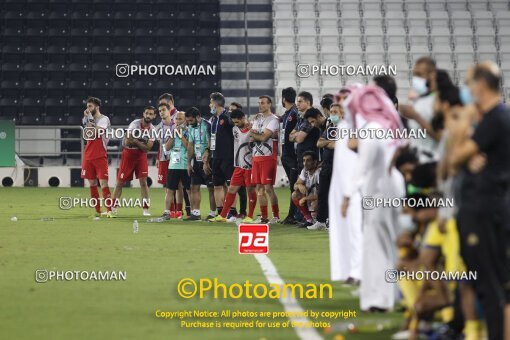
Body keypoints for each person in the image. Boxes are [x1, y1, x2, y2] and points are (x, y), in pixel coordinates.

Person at [450, 61, 510, 340]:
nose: (468, 89)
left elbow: (454, 157)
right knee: (499, 285)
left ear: (481, 85)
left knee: (488, 286)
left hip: (483, 210)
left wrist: (464, 122)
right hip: (497, 207)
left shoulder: (493, 119)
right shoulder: (502, 117)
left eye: (470, 82)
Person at [341, 85, 405, 311]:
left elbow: (363, 166)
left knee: (375, 245)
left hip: (378, 189)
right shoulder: (388, 124)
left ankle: (378, 300)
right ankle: (403, 293)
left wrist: (347, 195)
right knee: (396, 243)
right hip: (394, 185)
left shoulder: (370, 129)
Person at [329, 88, 363, 285]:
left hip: (357, 186)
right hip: (340, 186)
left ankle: (359, 271)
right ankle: (349, 269)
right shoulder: (343, 126)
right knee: (344, 229)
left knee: (357, 229)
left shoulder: (363, 125)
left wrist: (351, 190)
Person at [209, 109, 258, 223]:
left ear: (242, 118)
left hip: (249, 166)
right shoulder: (234, 129)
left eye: (237, 122)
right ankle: (223, 215)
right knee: (231, 189)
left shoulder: (253, 130)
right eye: (234, 122)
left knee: (250, 190)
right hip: (238, 166)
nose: (235, 124)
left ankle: (250, 216)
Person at [111, 106, 157, 217]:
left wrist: (135, 140)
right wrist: (141, 142)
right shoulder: (135, 124)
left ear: (154, 116)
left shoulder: (153, 130)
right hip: (129, 154)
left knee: (143, 183)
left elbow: (147, 148)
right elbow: (127, 142)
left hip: (141, 156)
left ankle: (145, 210)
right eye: (147, 113)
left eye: (151, 114)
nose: (148, 116)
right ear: (143, 113)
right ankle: (112, 208)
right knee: (120, 182)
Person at [399, 57, 441, 162]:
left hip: (432, 161)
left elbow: (440, 136)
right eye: (414, 74)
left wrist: (416, 117)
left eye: (419, 75)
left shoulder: (440, 101)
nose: (415, 78)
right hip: (415, 160)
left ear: (432, 75)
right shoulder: (417, 99)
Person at [308, 103, 341, 231]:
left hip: (338, 167)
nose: (332, 114)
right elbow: (319, 143)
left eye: (335, 112)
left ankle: (334, 221)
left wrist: (328, 143)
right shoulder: (330, 126)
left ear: (342, 113)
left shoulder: (347, 128)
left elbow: (339, 145)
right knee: (322, 194)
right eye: (331, 111)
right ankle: (321, 220)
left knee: (336, 195)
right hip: (326, 165)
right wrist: (329, 143)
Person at [158, 93, 191, 218]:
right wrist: (173, 134)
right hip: (173, 165)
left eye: (180, 119)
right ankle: (166, 212)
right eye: (176, 119)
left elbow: (189, 147)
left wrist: (181, 134)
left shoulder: (189, 131)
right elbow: (166, 147)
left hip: (185, 164)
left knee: (188, 190)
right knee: (170, 189)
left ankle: (192, 212)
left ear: (185, 120)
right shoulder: (173, 130)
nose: (177, 121)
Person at [80, 97, 112, 217]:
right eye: (87, 106)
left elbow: (95, 133)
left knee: (103, 184)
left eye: (90, 106)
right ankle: (97, 211)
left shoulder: (104, 119)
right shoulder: (86, 118)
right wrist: (88, 119)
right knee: (92, 183)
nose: (88, 109)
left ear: (97, 107)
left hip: (99, 154)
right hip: (88, 155)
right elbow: (88, 134)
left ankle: (110, 210)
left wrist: (89, 119)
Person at [250, 95, 280, 223]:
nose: (260, 105)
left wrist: (252, 133)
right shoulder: (258, 119)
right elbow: (254, 137)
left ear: (269, 105)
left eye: (262, 103)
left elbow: (263, 138)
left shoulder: (273, 120)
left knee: (268, 188)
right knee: (259, 189)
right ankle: (264, 217)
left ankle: (276, 216)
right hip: (256, 157)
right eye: (259, 103)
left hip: (268, 157)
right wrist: (255, 134)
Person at [207, 92, 236, 218]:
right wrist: (208, 151)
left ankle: (232, 212)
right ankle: (220, 213)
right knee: (217, 185)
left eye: (211, 102)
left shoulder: (228, 117)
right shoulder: (212, 120)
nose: (209, 105)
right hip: (215, 156)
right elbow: (211, 138)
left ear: (216, 103)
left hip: (228, 157)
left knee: (231, 186)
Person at [185, 107, 216, 221]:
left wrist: (207, 161)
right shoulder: (190, 128)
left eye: (191, 120)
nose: (189, 123)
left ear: (198, 117)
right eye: (188, 121)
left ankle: (213, 213)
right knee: (194, 187)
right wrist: (189, 163)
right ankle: (196, 213)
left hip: (208, 161)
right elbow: (190, 145)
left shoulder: (207, 125)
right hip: (197, 162)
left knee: (211, 188)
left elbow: (211, 143)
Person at [279, 87, 300, 225]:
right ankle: (295, 215)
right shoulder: (287, 114)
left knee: (295, 187)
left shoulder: (295, 113)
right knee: (292, 187)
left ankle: (294, 215)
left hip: (292, 156)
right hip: (286, 155)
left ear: (283, 99)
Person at [290, 92, 321, 174]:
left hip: (311, 158)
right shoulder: (301, 117)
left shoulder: (312, 115)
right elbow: (290, 136)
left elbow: (299, 139)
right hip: (301, 156)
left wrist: (296, 135)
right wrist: (297, 134)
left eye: (300, 101)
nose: (297, 104)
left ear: (308, 102)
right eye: (297, 101)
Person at [291, 151, 321, 227]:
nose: (305, 163)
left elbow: (322, 194)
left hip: (320, 198)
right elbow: (295, 185)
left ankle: (319, 221)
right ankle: (309, 219)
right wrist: (299, 185)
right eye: (304, 160)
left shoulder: (319, 173)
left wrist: (305, 198)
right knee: (295, 194)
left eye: (308, 160)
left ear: (315, 162)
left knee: (314, 204)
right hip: (310, 197)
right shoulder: (304, 171)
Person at [228, 101, 247, 217]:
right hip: (232, 159)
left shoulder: (247, 126)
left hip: (245, 161)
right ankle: (232, 211)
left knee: (243, 188)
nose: (230, 112)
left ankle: (244, 212)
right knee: (232, 187)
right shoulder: (232, 127)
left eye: (233, 109)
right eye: (229, 110)